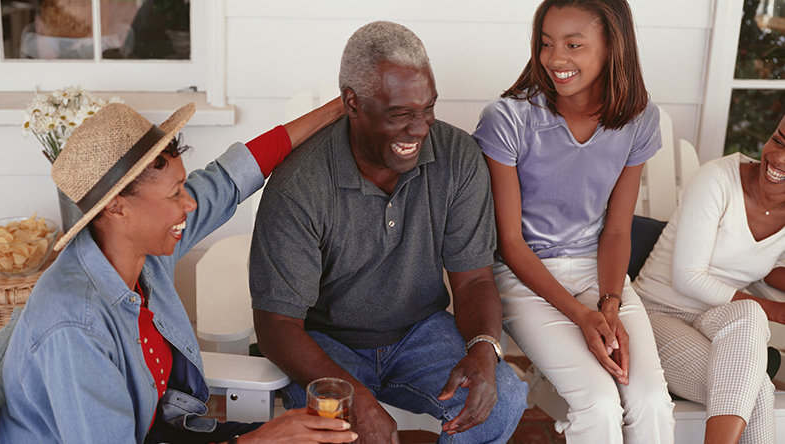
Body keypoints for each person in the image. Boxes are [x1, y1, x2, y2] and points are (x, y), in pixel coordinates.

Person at [0, 99, 356, 444]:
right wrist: (257, 440)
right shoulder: (75, 326)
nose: (190, 203)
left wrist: (341, 106)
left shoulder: (140, 249)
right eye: (174, 194)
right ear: (117, 207)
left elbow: (230, 178)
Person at [250, 21, 527, 444]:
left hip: (421, 332)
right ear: (352, 104)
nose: (419, 128)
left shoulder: (458, 158)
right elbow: (276, 324)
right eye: (400, 114)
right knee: (335, 431)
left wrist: (484, 349)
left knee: (501, 401)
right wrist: (358, 399)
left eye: (427, 108)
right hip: (325, 342)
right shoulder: (299, 186)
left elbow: (473, 279)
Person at [471, 0, 675, 442]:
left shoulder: (639, 120)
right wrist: (582, 315)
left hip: (599, 273)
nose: (555, 59)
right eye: (546, 44)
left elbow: (618, 230)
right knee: (600, 405)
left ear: (611, 47)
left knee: (651, 401)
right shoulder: (508, 119)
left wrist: (609, 303)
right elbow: (509, 242)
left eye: (573, 44)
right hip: (523, 277)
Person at [632, 116, 785, 444]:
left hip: (718, 321)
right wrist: (777, 311)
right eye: (779, 141)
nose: (779, 158)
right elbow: (687, 277)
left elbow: (768, 263)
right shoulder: (717, 179)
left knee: (749, 318)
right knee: (755, 386)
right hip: (655, 314)